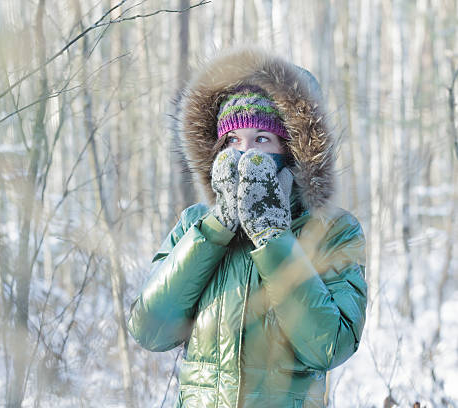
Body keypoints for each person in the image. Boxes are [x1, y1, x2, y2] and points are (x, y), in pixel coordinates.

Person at [127, 46, 367, 408]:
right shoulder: (196, 225)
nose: (244, 154)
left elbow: (329, 346)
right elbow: (149, 330)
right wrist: (215, 228)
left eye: (262, 140)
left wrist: (273, 237)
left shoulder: (333, 231)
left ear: (291, 150)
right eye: (233, 141)